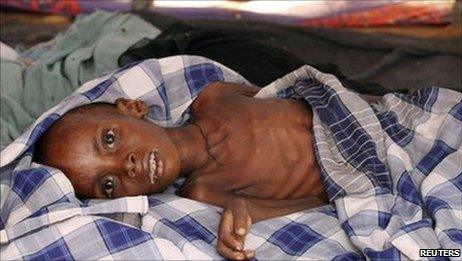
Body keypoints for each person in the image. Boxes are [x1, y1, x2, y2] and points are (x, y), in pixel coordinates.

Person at [36, 80, 332, 260]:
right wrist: (247, 210)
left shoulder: (215, 97)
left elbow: (298, 93)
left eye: (109, 140)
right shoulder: (203, 192)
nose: (126, 166)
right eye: (109, 185)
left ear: (133, 107)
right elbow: (321, 204)